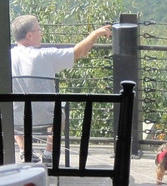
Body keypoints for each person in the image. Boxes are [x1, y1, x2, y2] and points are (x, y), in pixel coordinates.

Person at [10, 14, 111, 162]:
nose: (41, 33)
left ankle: (24, 150)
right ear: (29, 35)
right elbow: (78, 52)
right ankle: (48, 153)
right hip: (45, 116)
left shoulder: (5, 57)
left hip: (15, 118)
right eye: (39, 30)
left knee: (10, 108)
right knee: (59, 113)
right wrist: (95, 34)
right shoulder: (45, 55)